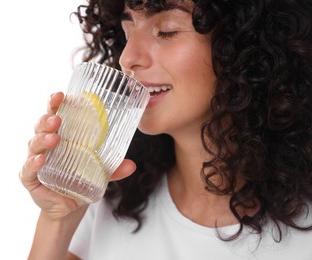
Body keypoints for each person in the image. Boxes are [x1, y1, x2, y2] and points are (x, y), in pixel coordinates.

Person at [19, 0, 312, 259]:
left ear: (246, 45)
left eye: (166, 31)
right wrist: (57, 219)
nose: (128, 58)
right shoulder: (105, 200)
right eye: (127, 30)